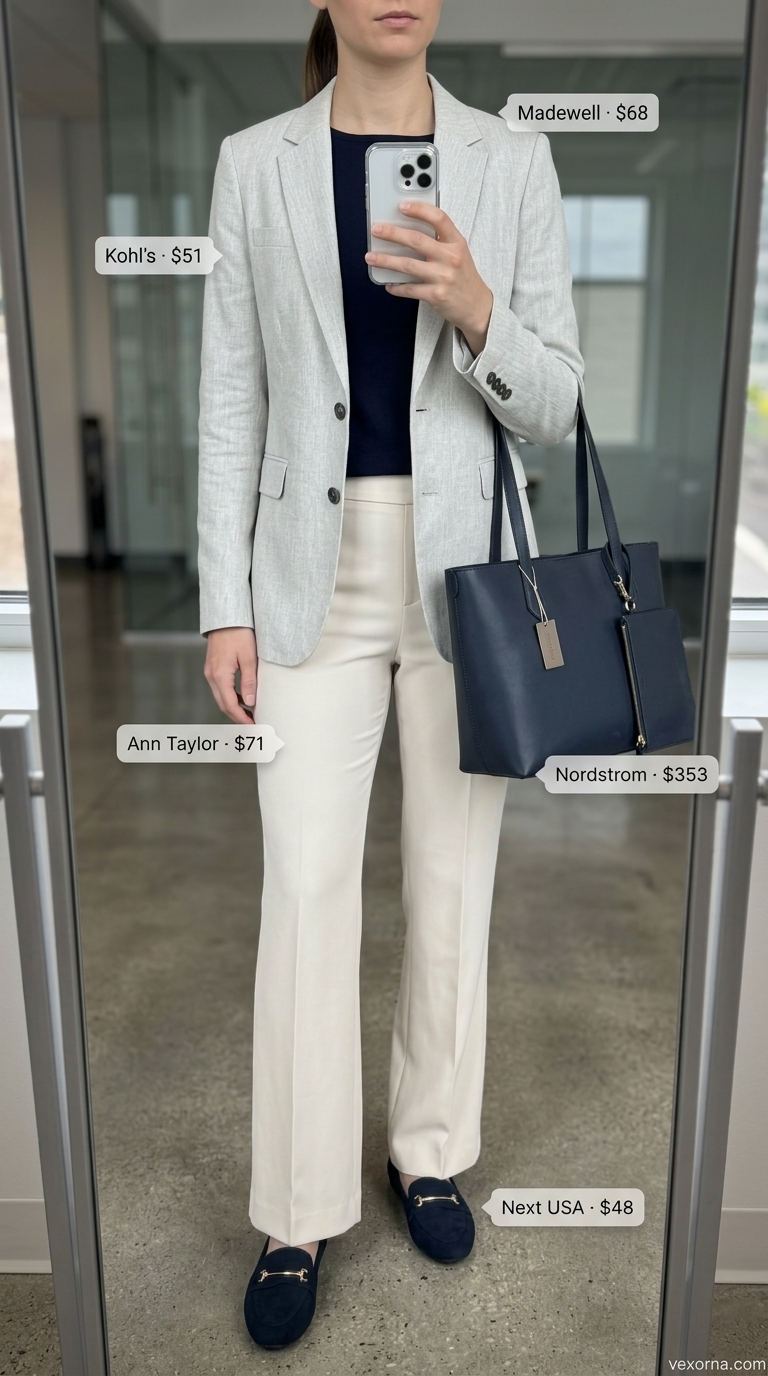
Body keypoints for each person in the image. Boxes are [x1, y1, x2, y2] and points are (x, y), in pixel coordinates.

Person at [198, 0, 583, 1351]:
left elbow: (558, 401)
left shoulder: (508, 163)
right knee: (302, 888)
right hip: (306, 568)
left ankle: (428, 1151)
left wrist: (476, 305)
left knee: (451, 880)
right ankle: (295, 1210)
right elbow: (231, 397)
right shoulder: (255, 164)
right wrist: (221, 606)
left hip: (465, 571)